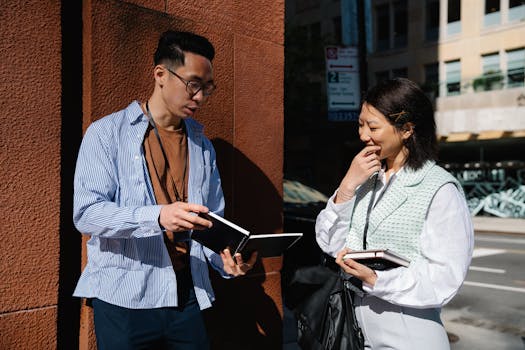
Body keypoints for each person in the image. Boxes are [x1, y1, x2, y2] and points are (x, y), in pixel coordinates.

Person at [73, 30, 256, 350]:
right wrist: (158, 216)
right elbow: (87, 215)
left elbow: (212, 222)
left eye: (207, 88)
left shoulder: (202, 146)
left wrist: (225, 262)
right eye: (193, 84)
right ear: (161, 74)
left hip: (187, 296)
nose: (200, 97)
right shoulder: (106, 133)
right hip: (124, 299)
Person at [315, 78, 474, 349]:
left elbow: (445, 277)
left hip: (410, 329)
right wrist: (346, 186)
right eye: (360, 124)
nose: (363, 135)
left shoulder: (438, 187)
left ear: (406, 129)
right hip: (357, 328)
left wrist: (377, 279)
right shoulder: (367, 178)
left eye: (373, 126)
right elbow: (330, 243)